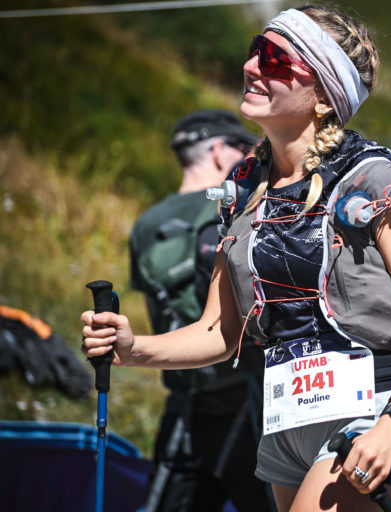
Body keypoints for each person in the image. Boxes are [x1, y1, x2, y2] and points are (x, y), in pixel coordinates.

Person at [83, 6, 391, 512]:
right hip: (286, 425)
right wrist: (134, 350)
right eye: (256, 50)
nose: (251, 66)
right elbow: (218, 330)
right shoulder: (243, 192)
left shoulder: (376, 183)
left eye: (277, 60)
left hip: (372, 415)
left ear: (323, 95)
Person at [129, 109, 273, 512]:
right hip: (248, 400)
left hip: (186, 403)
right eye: (243, 148)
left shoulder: (146, 226)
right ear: (218, 151)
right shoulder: (238, 209)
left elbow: (160, 311)